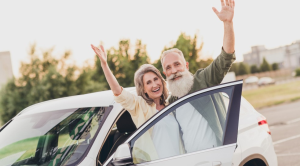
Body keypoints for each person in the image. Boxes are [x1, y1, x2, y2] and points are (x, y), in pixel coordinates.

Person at [160, 0, 236, 153]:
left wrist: (228, 23)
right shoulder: (171, 103)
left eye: (177, 64)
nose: (174, 71)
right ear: (165, 74)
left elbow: (226, 57)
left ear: (186, 66)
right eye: (168, 68)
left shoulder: (203, 80)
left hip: (218, 159)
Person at [90, 45, 184, 161]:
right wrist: (104, 64)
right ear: (143, 89)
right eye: (148, 82)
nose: (154, 85)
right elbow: (118, 91)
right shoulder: (139, 106)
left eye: (156, 79)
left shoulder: (171, 106)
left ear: (161, 80)